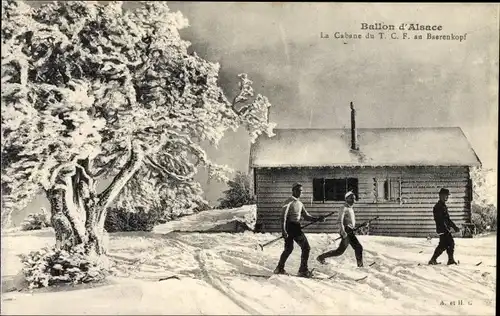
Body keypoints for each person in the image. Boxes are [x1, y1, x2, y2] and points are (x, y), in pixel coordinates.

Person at [274, 182, 325, 278]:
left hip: (296, 227)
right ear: (293, 190)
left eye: (301, 191)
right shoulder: (288, 202)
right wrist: (283, 230)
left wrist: (318, 219)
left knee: (289, 249)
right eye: (297, 190)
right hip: (291, 227)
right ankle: (303, 270)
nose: (299, 192)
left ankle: (279, 268)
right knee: (305, 248)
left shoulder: (300, 204)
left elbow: (306, 216)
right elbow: (283, 217)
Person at [316, 191, 364, 267]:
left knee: (340, 251)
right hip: (346, 231)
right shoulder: (343, 208)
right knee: (358, 247)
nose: (353, 201)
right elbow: (340, 221)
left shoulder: (350, 208)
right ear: (346, 199)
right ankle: (360, 266)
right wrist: (342, 231)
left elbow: (350, 222)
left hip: (350, 231)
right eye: (351, 199)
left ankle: (321, 257)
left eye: (354, 199)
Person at [428, 188, 460, 265]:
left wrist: (454, 227)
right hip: (442, 229)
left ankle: (433, 260)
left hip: (444, 229)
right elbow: (440, 220)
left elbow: (447, 219)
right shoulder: (438, 206)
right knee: (449, 243)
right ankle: (450, 260)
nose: (447, 197)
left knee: (443, 245)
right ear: (440, 196)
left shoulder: (443, 206)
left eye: (447, 196)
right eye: (445, 195)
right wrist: (446, 228)